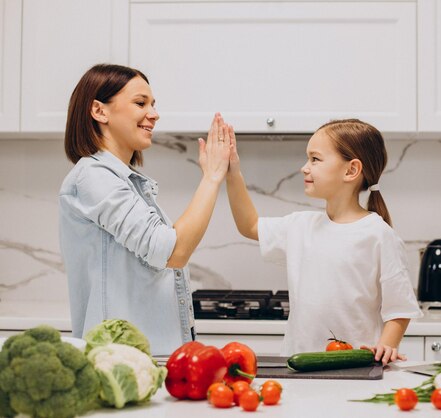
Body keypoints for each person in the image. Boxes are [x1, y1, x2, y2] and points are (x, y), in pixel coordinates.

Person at [59, 64, 231, 355]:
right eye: (141, 103)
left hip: (143, 356)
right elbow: (172, 252)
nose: (154, 113)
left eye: (153, 104)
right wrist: (212, 177)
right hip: (118, 359)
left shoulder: (124, 182)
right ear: (99, 111)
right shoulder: (93, 177)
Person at [225, 118, 422, 365]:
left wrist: (387, 346)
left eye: (315, 159)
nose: (304, 168)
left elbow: (400, 309)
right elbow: (250, 226)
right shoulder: (300, 226)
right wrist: (233, 173)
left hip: (356, 368)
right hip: (297, 366)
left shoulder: (379, 236)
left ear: (351, 170)